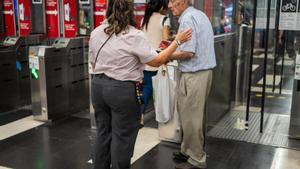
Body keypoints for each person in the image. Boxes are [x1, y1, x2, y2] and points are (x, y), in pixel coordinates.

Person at [88, 0, 192, 168]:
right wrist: (177, 42)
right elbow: (157, 61)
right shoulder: (133, 35)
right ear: (130, 12)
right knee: (122, 136)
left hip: (98, 87)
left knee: (103, 132)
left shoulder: (96, 32)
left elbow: (94, 63)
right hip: (122, 90)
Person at [168, 0, 217, 168]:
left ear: (182, 2)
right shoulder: (199, 14)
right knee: (186, 114)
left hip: (194, 74)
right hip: (199, 72)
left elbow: (188, 52)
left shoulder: (188, 19)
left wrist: (167, 54)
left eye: (172, 1)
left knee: (192, 118)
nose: (169, 5)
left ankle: (197, 159)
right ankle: (187, 150)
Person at [141, 0, 170, 124]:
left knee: (146, 88)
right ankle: (162, 119)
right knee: (160, 89)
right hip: (158, 58)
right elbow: (165, 41)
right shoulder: (164, 19)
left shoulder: (144, 20)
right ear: (162, 7)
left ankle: (139, 116)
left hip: (145, 59)